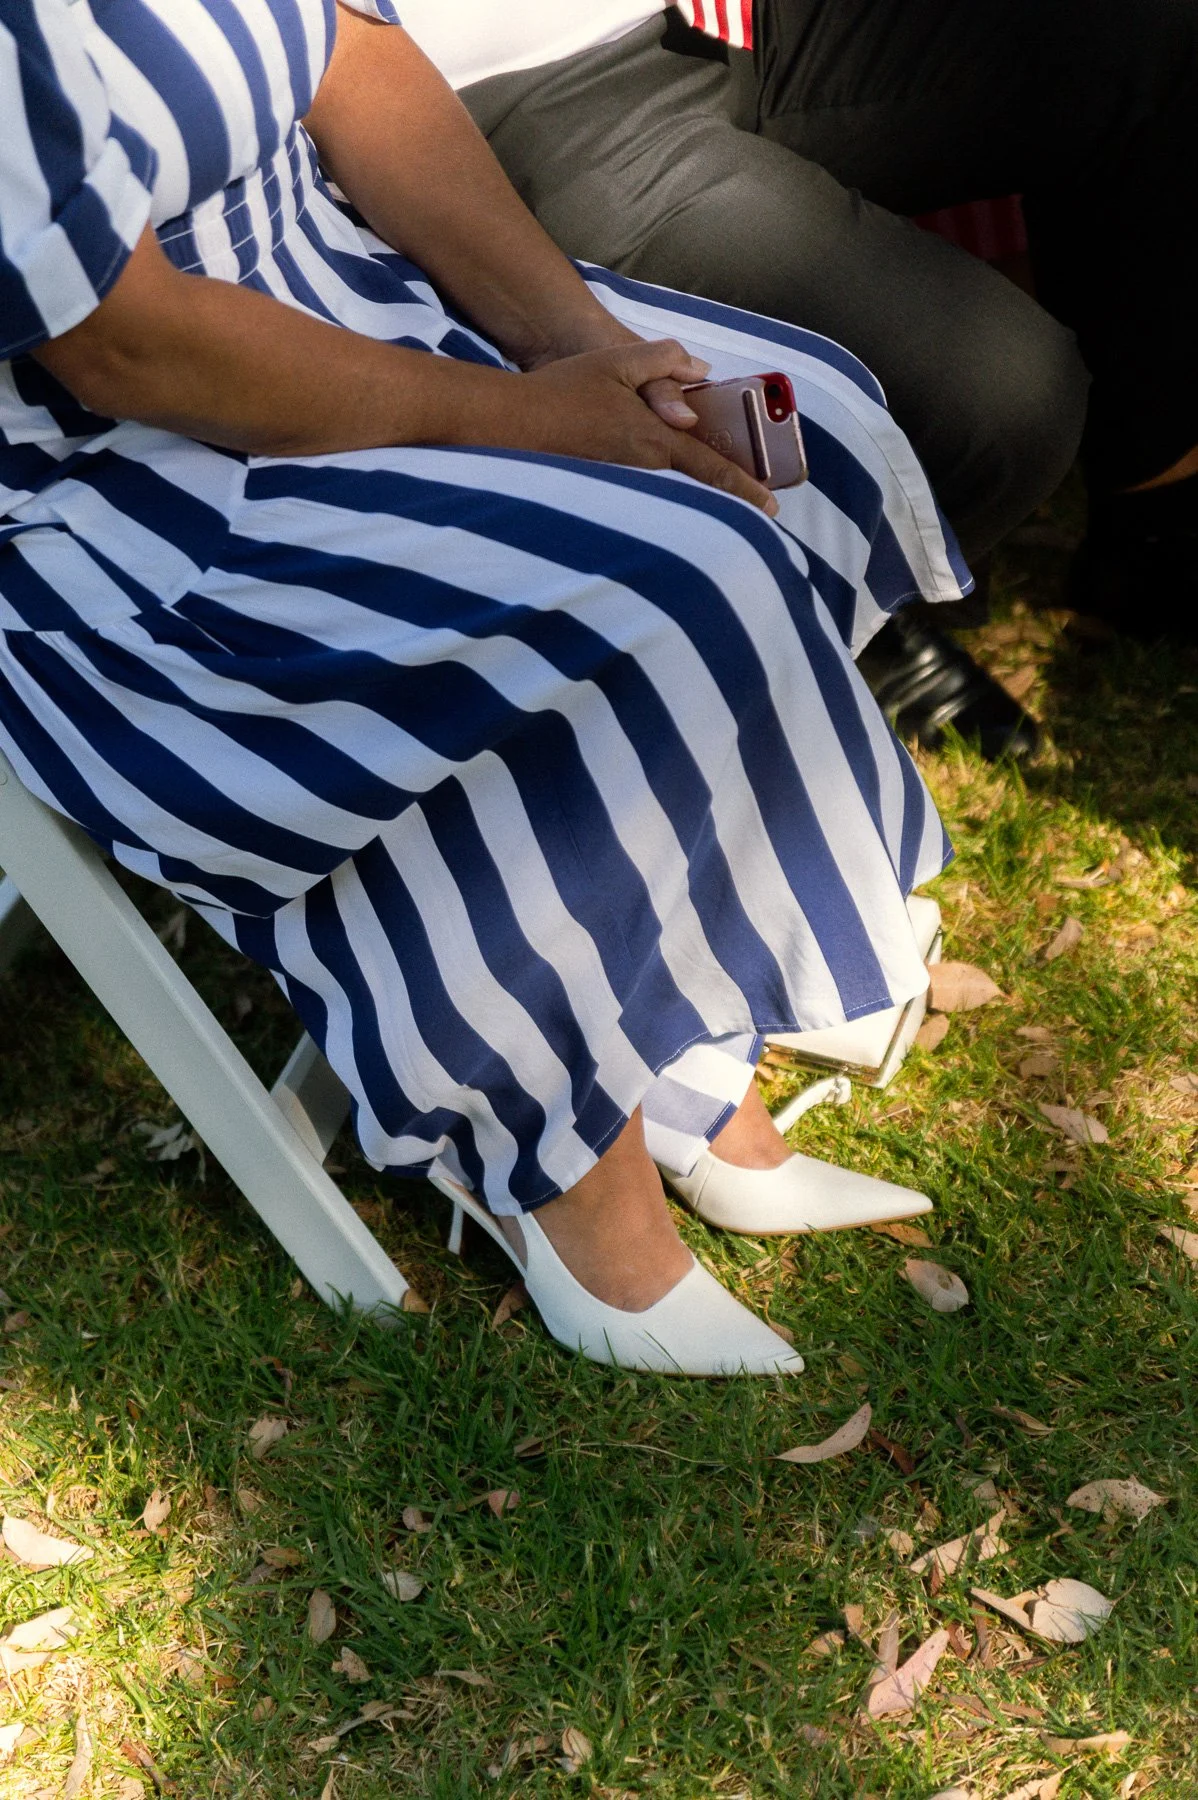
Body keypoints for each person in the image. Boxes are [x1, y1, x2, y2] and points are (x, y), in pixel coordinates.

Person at [1, 0, 967, 1377]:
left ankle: (684, 1062)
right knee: (663, 575)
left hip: (329, 285)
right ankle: (574, 1187)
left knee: (805, 441)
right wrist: (533, 421)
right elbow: (124, 346)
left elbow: (352, 52)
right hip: (111, 481)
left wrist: (576, 353)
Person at [401, 0, 1198, 686]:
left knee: (1151, 33)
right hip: (493, 79)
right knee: (1007, 394)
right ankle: (827, 640)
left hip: (704, 19)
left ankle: (1153, 534)